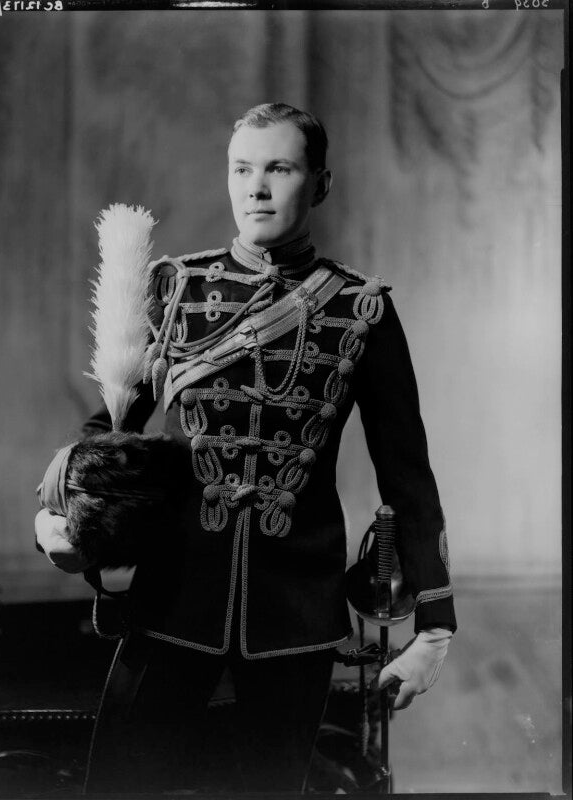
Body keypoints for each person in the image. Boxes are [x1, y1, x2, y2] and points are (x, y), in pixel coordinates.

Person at [35, 102, 456, 794]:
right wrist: (57, 516)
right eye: (241, 170)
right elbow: (106, 435)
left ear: (320, 183)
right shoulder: (176, 291)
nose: (256, 188)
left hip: (295, 619)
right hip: (172, 602)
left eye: (279, 169)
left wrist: (434, 631)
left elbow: (407, 476)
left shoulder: (362, 310)